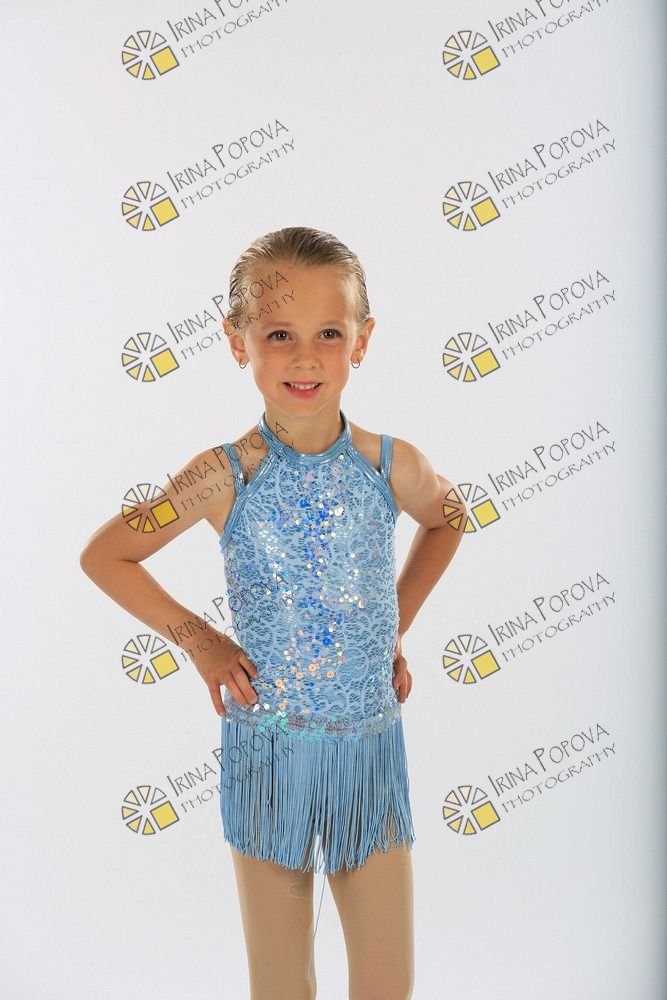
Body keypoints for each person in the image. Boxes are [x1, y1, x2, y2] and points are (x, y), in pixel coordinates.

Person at [80, 226, 466, 1000]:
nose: (304, 357)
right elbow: (106, 556)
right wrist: (201, 642)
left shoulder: (391, 465)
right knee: (282, 982)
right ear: (237, 342)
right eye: (279, 334)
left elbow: (448, 518)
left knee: (386, 981)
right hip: (267, 754)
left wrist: (391, 623)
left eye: (329, 334)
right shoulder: (223, 476)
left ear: (362, 341)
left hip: (367, 754)